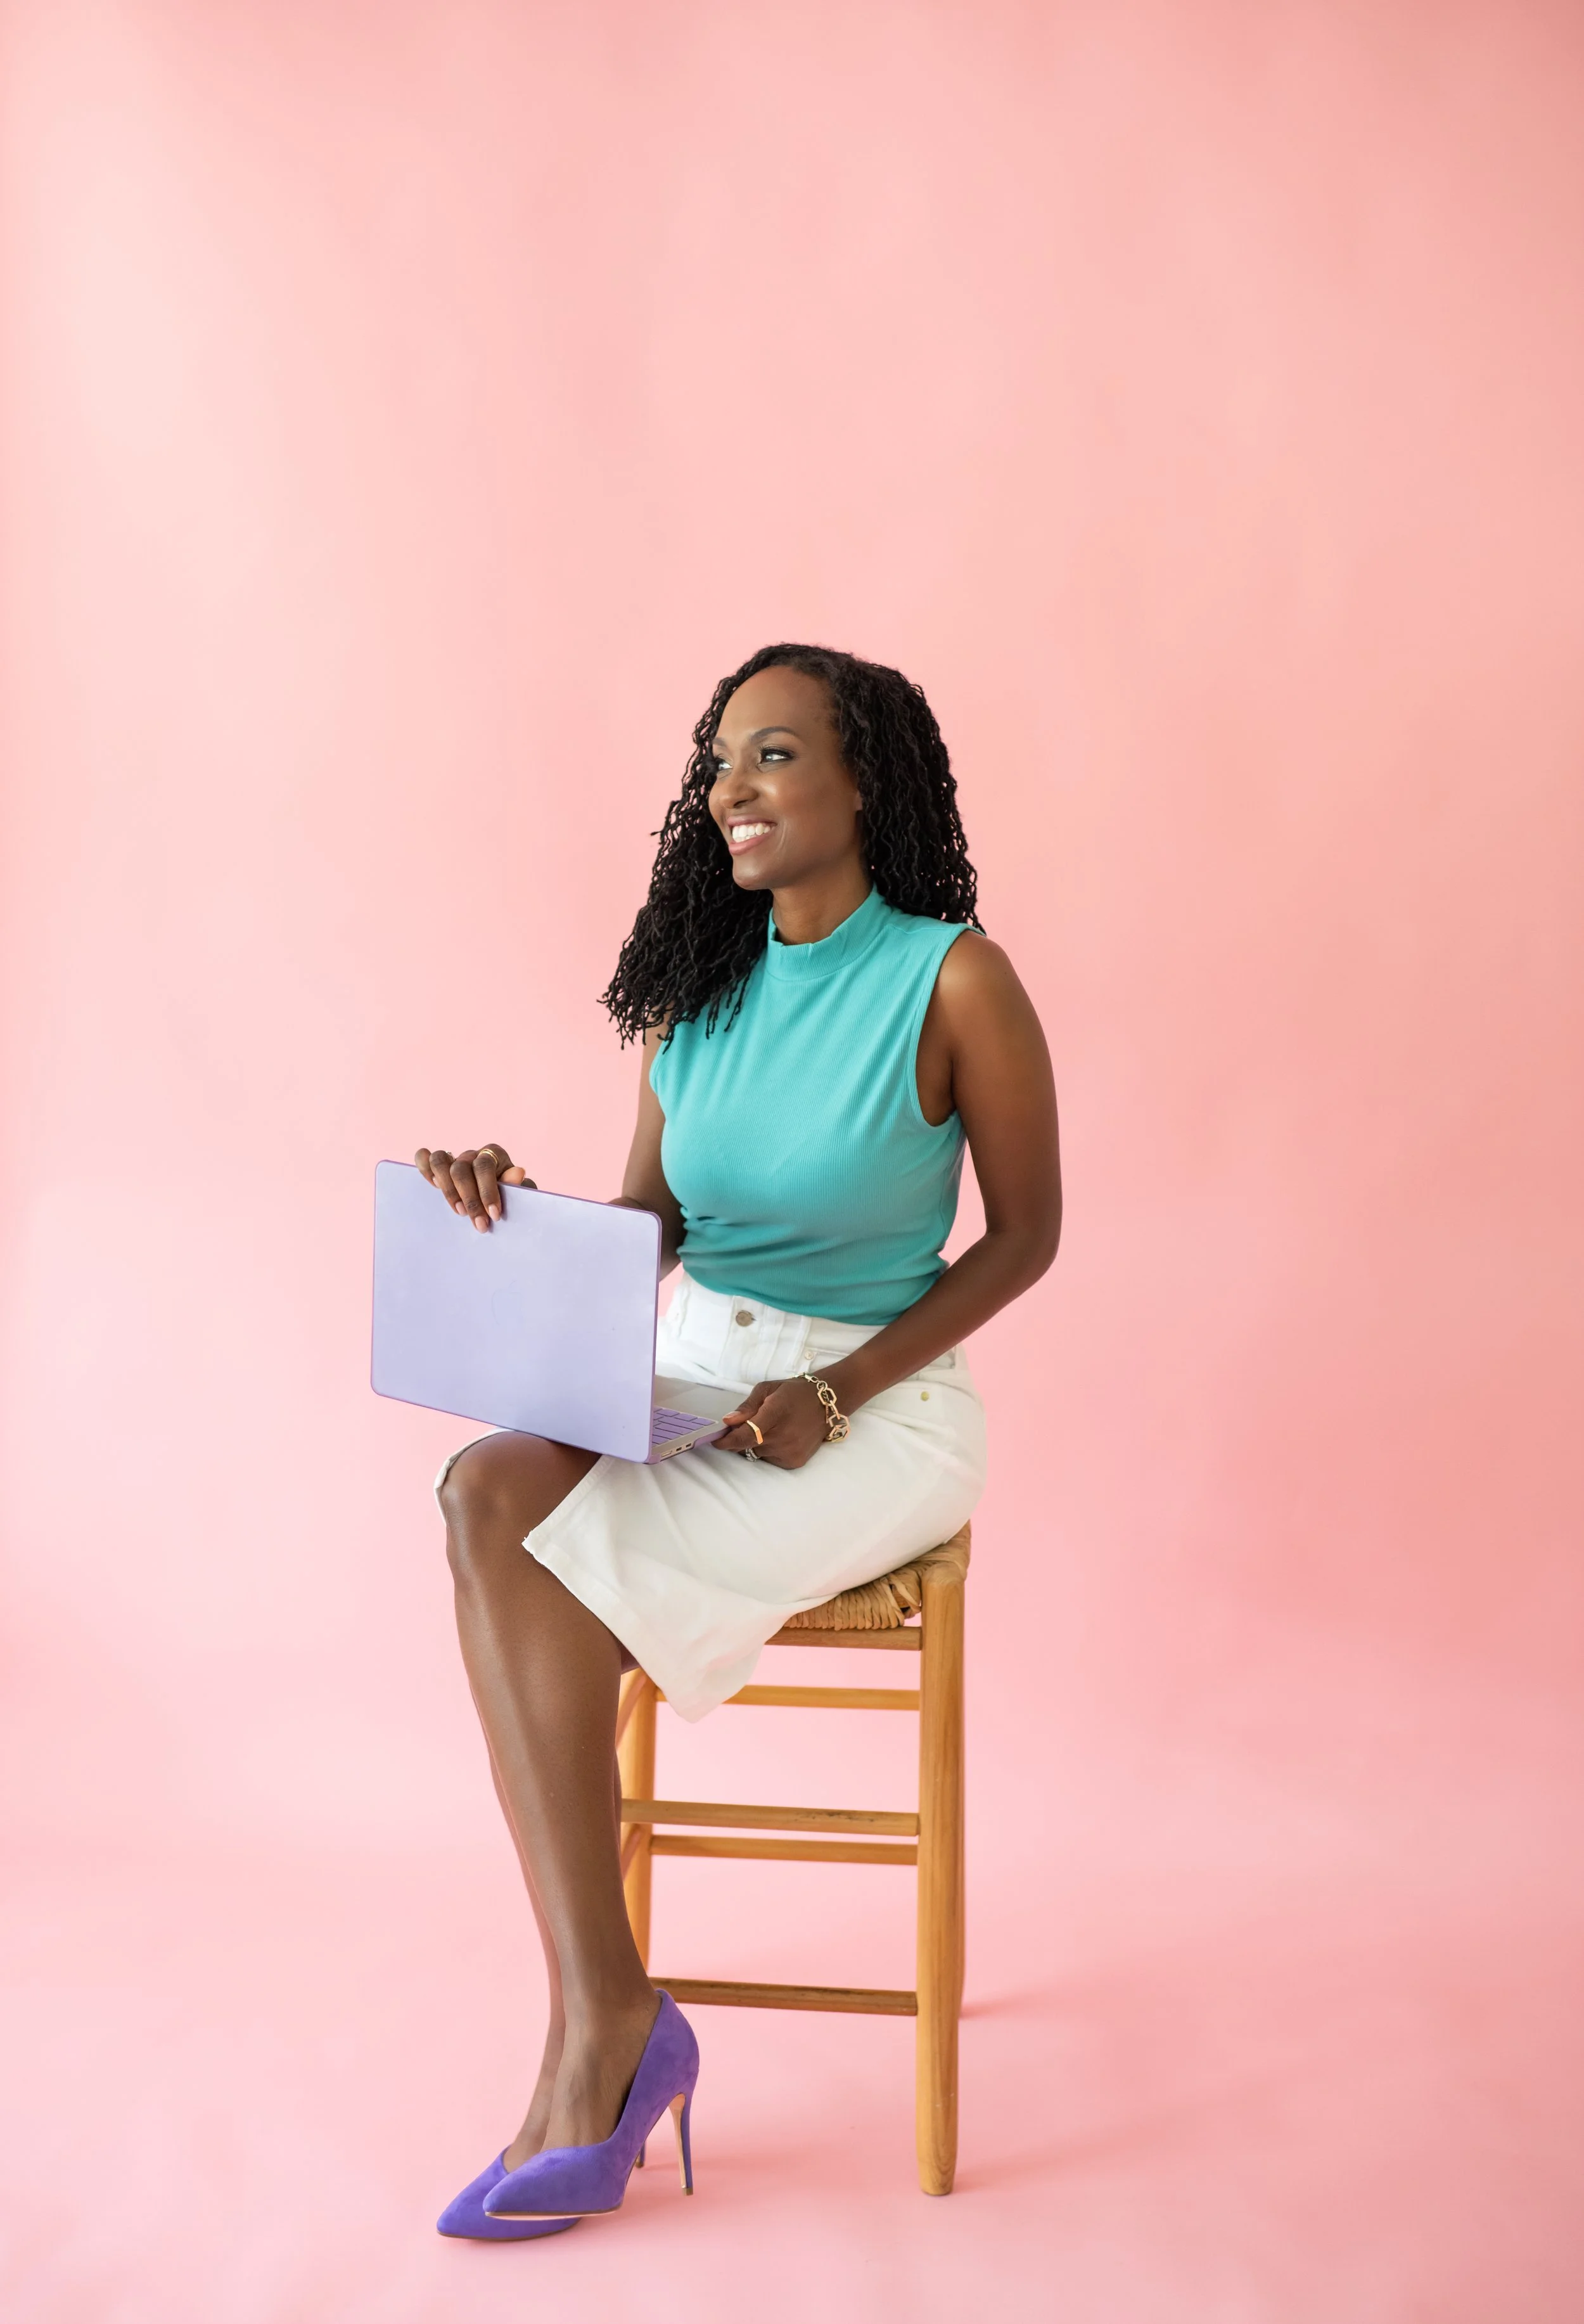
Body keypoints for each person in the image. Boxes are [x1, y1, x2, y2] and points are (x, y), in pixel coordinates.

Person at [418, 643, 1062, 2238]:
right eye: (720, 762)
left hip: (876, 1406)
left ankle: (596, 2051)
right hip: (704, 1383)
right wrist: (504, 1210)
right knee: (484, 1489)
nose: (731, 789)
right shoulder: (692, 1001)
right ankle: (611, 2008)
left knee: (541, 1556)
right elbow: (643, 1233)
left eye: (773, 755)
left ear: (867, 782)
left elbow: (1027, 1235)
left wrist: (839, 1395)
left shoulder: (952, 977)